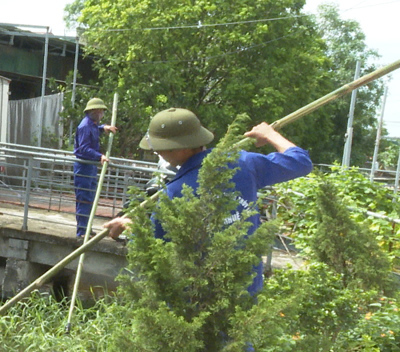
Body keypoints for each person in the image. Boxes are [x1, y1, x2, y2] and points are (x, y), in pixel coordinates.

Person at [103, 107, 313, 295]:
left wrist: (129, 227)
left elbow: (159, 252)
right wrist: (270, 134)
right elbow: (300, 162)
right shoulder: (244, 163)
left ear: (180, 147)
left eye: (160, 147)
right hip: (244, 287)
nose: (156, 151)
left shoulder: (174, 192)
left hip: (196, 297)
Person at [73, 97, 119, 238]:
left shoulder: (92, 124)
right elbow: (84, 148)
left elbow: (95, 129)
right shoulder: (85, 126)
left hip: (91, 167)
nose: (100, 114)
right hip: (84, 166)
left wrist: (103, 127)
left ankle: (87, 228)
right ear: (91, 112)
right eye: (98, 111)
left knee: (90, 198)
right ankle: (81, 231)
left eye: (102, 112)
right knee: (84, 198)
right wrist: (100, 156)